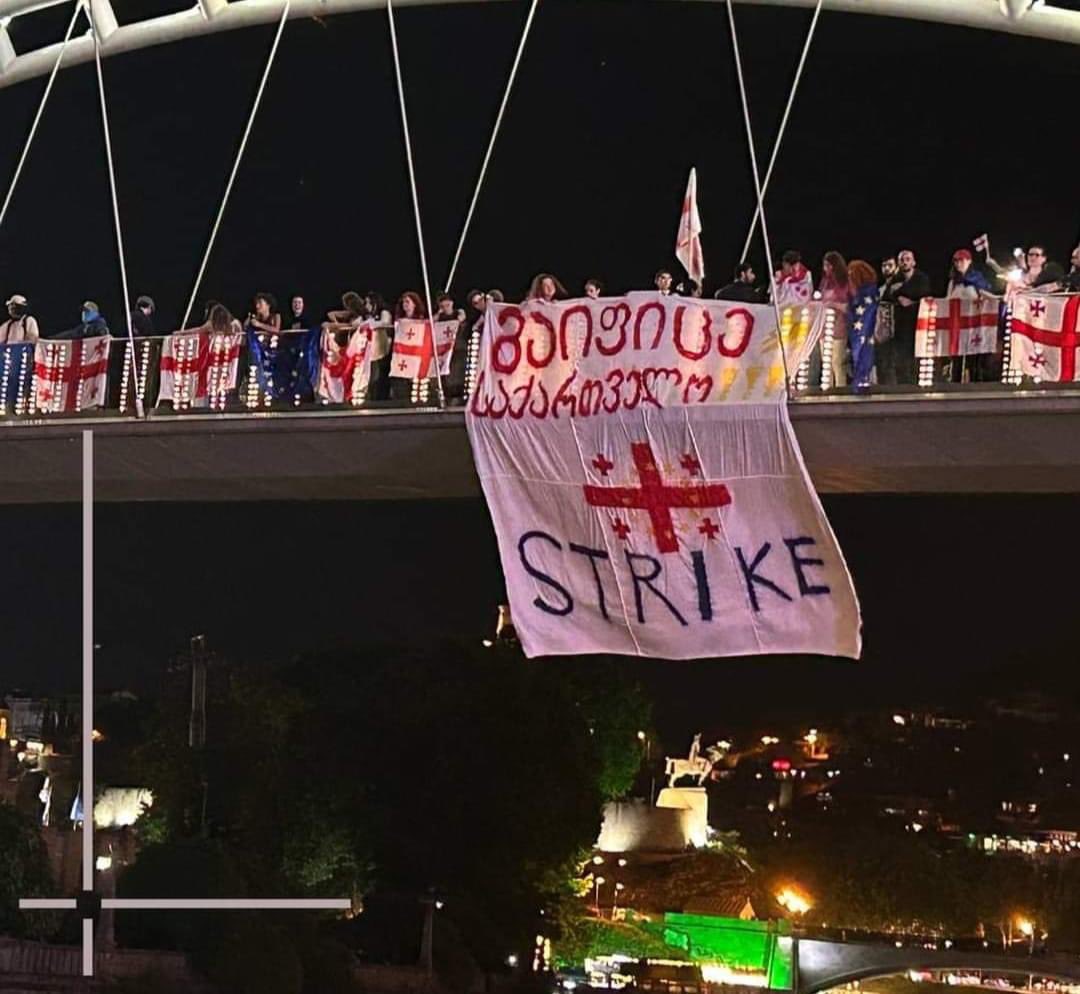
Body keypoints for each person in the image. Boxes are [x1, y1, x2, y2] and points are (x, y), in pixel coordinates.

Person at [885, 249, 931, 385]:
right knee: (901, 356)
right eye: (902, 260)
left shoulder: (921, 278)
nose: (905, 262)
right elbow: (887, 295)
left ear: (913, 262)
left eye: (908, 259)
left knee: (917, 354)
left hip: (918, 323)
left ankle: (917, 383)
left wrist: (901, 292)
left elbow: (923, 294)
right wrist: (900, 295)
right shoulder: (895, 279)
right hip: (900, 324)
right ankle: (903, 385)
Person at [810, 251, 849, 389]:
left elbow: (849, 306)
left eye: (827, 265)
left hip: (838, 327)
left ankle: (841, 391)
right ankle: (828, 392)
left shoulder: (845, 282)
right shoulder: (824, 282)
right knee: (826, 364)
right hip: (824, 328)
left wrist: (833, 305)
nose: (825, 268)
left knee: (837, 362)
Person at [846, 260, 879, 392]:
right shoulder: (859, 293)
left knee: (863, 353)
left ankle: (863, 381)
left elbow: (865, 313)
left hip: (865, 331)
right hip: (858, 331)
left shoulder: (867, 294)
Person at [363, 291, 393, 402]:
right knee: (373, 374)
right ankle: (372, 397)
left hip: (383, 347)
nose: (366, 306)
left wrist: (371, 324)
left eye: (367, 302)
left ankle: (382, 398)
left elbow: (385, 322)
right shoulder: (367, 316)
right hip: (372, 350)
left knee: (381, 373)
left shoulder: (383, 312)